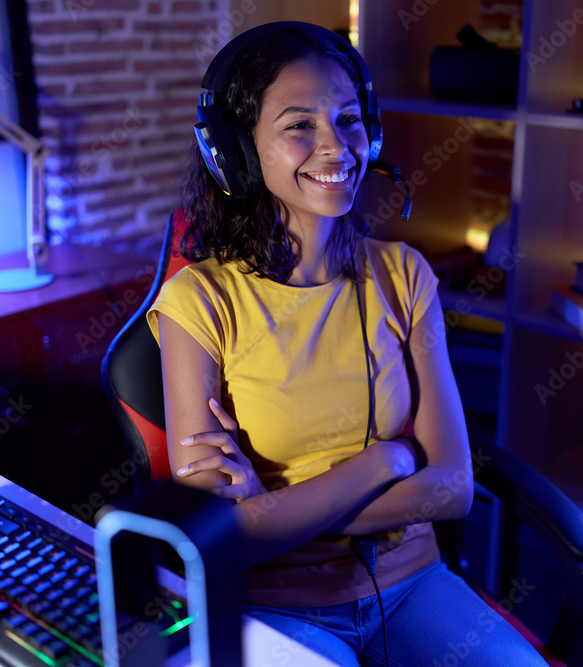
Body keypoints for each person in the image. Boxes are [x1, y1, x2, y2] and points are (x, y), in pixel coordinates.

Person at [146, 22, 548, 666]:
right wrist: (386, 461)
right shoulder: (200, 302)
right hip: (271, 603)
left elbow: (453, 489)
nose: (337, 147)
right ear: (238, 150)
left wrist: (274, 510)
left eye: (350, 119)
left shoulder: (404, 274)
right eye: (299, 124)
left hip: (414, 585)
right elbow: (228, 536)